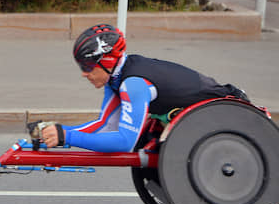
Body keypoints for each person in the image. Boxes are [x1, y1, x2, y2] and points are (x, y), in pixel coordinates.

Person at [33, 23, 248, 152]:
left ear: (107, 62)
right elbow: (105, 126)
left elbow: (125, 142)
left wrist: (66, 137)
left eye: (87, 66)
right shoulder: (116, 78)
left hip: (227, 111)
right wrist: (58, 132)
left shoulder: (133, 84)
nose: (83, 73)